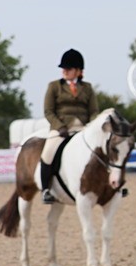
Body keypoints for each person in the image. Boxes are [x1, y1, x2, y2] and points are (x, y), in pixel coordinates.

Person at [40, 49, 99, 203]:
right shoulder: (54, 86)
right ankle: (46, 190)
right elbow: (48, 111)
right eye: (63, 68)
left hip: (84, 129)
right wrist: (59, 127)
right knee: (48, 153)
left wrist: (91, 127)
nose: (65, 71)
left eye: (69, 68)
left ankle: (114, 186)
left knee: (103, 150)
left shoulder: (87, 88)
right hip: (61, 129)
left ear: (79, 71)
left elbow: (93, 111)